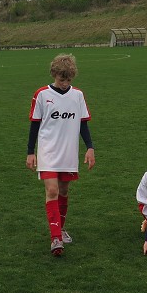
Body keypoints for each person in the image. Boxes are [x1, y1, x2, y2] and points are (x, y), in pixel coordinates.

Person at [27, 53, 95, 256]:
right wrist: (31, 152)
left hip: (68, 152)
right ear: (54, 74)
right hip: (48, 151)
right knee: (52, 191)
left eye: (68, 80)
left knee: (64, 191)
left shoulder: (78, 96)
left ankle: (61, 228)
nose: (65, 83)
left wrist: (90, 147)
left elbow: (83, 123)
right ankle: (55, 238)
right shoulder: (41, 95)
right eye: (61, 79)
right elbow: (34, 125)